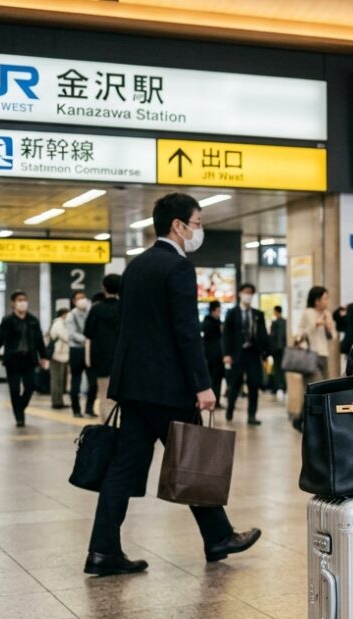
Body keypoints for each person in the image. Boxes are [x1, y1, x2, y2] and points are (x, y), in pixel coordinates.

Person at [86, 192, 260, 576]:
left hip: (134, 386)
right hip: (167, 388)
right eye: (197, 224)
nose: (199, 231)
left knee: (123, 468)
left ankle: (103, 550)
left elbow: (130, 331)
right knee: (193, 460)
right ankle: (218, 537)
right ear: (178, 226)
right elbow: (186, 332)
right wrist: (203, 384)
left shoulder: (136, 266)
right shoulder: (178, 268)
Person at [0, 291, 49, 427]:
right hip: (13, 359)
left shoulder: (33, 320)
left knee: (30, 387)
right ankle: (19, 417)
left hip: (29, 358)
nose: (23, 302)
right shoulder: (7, 320)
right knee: (14, 389)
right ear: (13, 303)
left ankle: (20, 407)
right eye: (20, 300)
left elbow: (39, 340)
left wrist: (44, 356)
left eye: (25, 300)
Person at [222, 283, 269, 425]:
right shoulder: (232, 313)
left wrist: (265, 353)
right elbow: (226, 335)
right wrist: (226, 354)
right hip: (237, 353)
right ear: (240, 294)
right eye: (246, 292)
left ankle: (252, 415)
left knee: (254, 384)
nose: (248, 295)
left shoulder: (258, 314)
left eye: (251, 293)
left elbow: (263, 334)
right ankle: (230, 409)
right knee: (235, 384)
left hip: (253, 353)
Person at [85, 273, 122, 418]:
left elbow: (88, 332)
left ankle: (106, 429)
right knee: (118, 399)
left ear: (103, 288)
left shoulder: (96, 309)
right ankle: (118, 427)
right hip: (120, 359)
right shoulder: (124, 308)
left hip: (100, 358)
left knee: (104, 396)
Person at [65, 290, 97, 418]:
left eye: (84, 297)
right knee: (76, 382)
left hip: (90, 351)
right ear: (74, 301)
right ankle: (76, 409)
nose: (82, 300)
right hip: (77, 350)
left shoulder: (91, 312)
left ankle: (89, 408)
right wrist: (88, 339)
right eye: (79, 298)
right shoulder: (70, 316)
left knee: (93, 382)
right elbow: (72, 334)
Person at [296, 286, 335, 381]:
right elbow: (300, 334)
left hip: (324, 354)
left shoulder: (327, 313)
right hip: (309, 354)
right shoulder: (307, 313)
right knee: (313, 384)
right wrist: (315, 324)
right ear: (317, 300)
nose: (327, 301)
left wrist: (328, 327)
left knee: (324, 385)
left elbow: (333, 336)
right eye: (325, 298)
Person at [47, 308, 71, 409]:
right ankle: (56, 402)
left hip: (62, 355)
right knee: (56, 380)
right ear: (63, 315)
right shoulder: (58, 324)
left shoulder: (62, 324)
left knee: (60, 380)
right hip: (57, 356)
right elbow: (66, 337)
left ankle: (59, 401)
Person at [202, 301, 225, 408]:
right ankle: (212, 400)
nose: (219, 312)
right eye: (218, 310)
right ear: (213, 310)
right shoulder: (207, 323)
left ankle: (217, 400)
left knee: (217, 379)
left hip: (218, 356)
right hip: (210, 357)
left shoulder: (218, 322)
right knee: (212, 379)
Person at [269, 305, 288, 398]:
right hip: (283, 349)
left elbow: (272, 337)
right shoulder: (285, 322)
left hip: (276, 350)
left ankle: (279, 386)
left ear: (276, 312)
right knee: (283, 369)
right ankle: (283, 386)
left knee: (277, 369)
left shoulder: (275, 323)